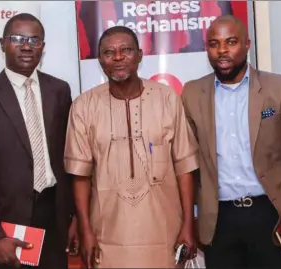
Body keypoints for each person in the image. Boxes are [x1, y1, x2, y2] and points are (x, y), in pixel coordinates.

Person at [181, 15, 281, 268]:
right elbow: (188, 164)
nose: (222, 51)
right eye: (214, 44)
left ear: (247, 44)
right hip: (217, 218)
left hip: (269, 213)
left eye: (231, 42)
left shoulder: (279, 88)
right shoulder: (191, 93)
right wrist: (188, 220)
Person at [64, 25, 199, 268]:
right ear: (100, 61)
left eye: (126, 50)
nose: (117, 58)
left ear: (139, 55)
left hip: (164, 230)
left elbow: (184, 166)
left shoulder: (167, 98)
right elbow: (80, 176)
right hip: (107, 233)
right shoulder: (84, 107)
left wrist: (189, 224)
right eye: (109, 52)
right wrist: (85, 229)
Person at [0, 13, 77, 269]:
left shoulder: (59, 90)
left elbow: (68, 158)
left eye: (34, 40)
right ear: (2, 44)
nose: (26, 46)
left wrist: (74, 218)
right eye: (17, 39)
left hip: (54, 215)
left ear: (43, 47)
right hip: (7, 224)